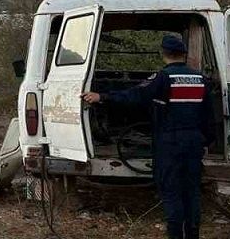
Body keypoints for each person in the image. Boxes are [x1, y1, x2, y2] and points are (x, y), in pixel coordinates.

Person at [82, 35, 213, 239]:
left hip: (170, 143)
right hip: (194, 142)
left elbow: (135, 96)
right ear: (184, 54)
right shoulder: (200, 79)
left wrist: (102, 97)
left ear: (163, 54)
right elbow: (208, 116)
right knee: (192, 192)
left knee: (171, 191)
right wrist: (206, 142)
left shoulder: (163, 78)